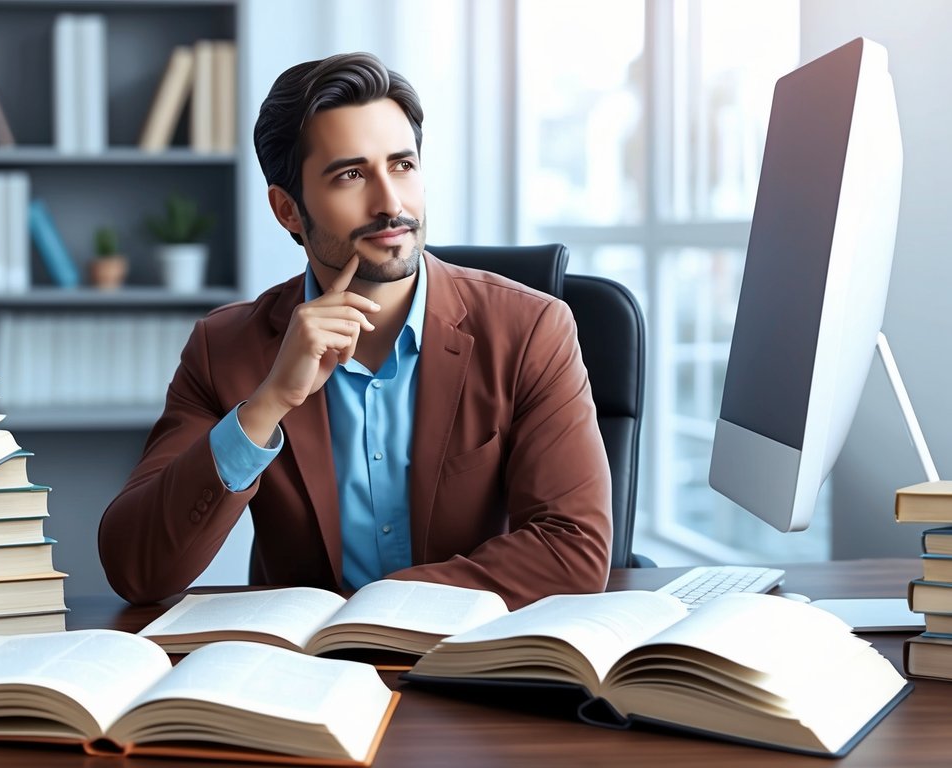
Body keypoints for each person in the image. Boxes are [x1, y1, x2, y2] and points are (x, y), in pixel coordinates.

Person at [99, 52, 611, 606]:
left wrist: (374, 608)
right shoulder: (226, 349)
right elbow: (137, 570)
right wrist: (268, 403)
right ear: (288, 211)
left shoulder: (531, 329)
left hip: (474, 661)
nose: (390, 204)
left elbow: (572, 550)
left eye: (402, 165)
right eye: (350, 175)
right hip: (304, 679)